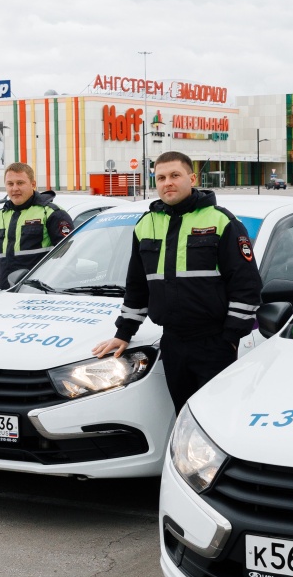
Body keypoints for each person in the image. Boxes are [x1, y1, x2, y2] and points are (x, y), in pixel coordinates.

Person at [93, 151, 263, 412]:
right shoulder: (146, 224)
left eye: (175, 175)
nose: (167, 182)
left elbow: (247, 285)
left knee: (216, 417)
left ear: (192, 178)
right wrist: (123, 333)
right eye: (160, 177)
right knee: (183, 415)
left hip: (214, 343)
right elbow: (137, 286)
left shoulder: (221, 221)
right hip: (172, 342)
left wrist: (229, 338)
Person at [0, 162, 73, 299]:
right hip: (7, 294)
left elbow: (68, 256)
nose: (15, 188)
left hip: (42, 294)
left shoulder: (52, 213)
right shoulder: (0, 216)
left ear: (33, 184)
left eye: (20, 183)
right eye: (10, 184)